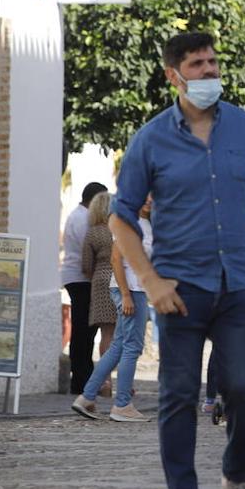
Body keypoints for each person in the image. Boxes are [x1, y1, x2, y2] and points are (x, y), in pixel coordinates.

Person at [110, 31, 245, 489]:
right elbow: (121, 218)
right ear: (174, 75)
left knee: (243, 387)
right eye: (197, 63)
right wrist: (150, 280)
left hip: (242, 284)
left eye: (212, 61)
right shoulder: (151, 139)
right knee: (179, 395)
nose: (209, 70)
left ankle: (237, 473)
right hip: (180, 288)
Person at [72, 195, 153, 422]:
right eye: (144, 195)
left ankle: (86, 397)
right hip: (131, 290)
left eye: (152, 195)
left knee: (118, 345)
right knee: (132, 347)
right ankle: (122, 404)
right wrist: (126, 295)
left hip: (136, 290)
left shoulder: (147, 224)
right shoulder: (128, 222)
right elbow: (116, 259)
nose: (149, 200)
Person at [62, 181, 108, 394]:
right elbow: (88, 253)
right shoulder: (82, 220)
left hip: (78, 278)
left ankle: (83, 378)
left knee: (85, 331)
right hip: (81, 279)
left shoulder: (78, 216)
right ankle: (81, 380)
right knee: (83, 331)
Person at [82, 190, 117, 396]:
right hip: (123, 281)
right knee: (124, 335)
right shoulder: (121, 229)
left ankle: (106, 382)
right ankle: (125, 381)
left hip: (101, 281)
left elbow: (86, 265)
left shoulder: (93, 232)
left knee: (107, 335)